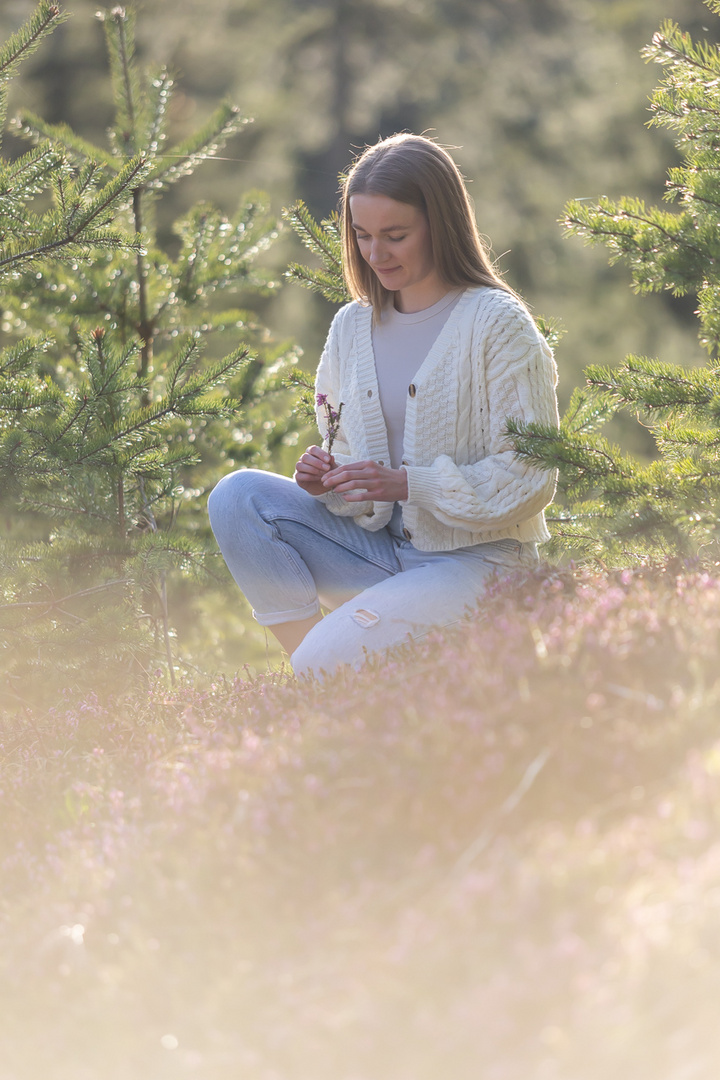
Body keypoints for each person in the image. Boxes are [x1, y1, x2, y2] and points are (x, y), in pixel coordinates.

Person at [208, 133, 559, 680]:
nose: (375, 254)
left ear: (439, 224)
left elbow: (530, 477)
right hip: (382, 557)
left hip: (480, 566)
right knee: (238, 498)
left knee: (325, 664)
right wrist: (331, 482)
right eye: (362, 234)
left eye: (395, 235)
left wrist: (406, 484)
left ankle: (324, 674)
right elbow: (353, 474)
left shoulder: (497, 322)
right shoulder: (351, 326)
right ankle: (320, 674)